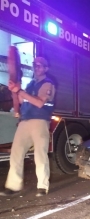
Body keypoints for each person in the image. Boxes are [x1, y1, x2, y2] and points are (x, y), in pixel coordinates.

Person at [0, 57, 56, 197]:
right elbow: (21, 100)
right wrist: (14, 89)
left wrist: (19, 91)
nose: (36, 67)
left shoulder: (48, 84)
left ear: (45, 68)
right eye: (34, 65)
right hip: (25, 121)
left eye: (39, 65)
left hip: (40, 121)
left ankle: (42, 186)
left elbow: (39, 103)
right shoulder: (31, 84)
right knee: (16, 152)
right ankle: (13, 185)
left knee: (40, 154)